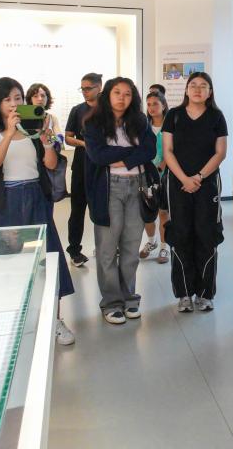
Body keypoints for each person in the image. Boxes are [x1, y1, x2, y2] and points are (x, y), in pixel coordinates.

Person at [0, 77, 76, 346]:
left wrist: (47, 141)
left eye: (18, 98)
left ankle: (54, 320)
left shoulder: (35, 129)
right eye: (7, 99)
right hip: (6, 201)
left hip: (35, 197)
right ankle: (13, 318)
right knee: (8, 259)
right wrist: (9, 133)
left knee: (49, 257)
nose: (14, 103)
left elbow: (51, 164)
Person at [83, 78, 157, 324]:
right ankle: (112, 303)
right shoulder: (93, 123)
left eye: (127, 94)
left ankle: (129, 299)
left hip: (137, 186)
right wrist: (133, 153)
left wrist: (120, 158)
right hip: (108, 188)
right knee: (107, 249)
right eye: (117, 92)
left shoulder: (140, 121)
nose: (121, 98)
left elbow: (150, 150)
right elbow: (97, 155)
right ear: (107, 95)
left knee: (131, 248)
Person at [162, 72, 227, 312]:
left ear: (210, 91)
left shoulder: (216, 116)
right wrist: (184, 179)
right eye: (193, 85)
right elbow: (168, 151)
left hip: (207, 184)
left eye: (203, 86)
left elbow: (220, 152)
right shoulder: (174, 115)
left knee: (207, 235)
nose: (198, 89)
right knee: (180, 235)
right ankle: (184, 294)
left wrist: (198, 177)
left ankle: (205, 293)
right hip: (178, 184)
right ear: (186, 90)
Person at [64, 73, 103, 267]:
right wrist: (83, 143)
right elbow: (68, 137)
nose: (85, 92)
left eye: (88, 88)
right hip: (81, 166)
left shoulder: (108, 110)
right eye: (83, 88)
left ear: (99, 87)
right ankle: (74, 250)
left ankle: (104, 247)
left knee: (102, 210)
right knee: (77, 210)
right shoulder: (77, 110)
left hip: (102, 167)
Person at [139, 90, 171, 264]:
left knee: (163, 212)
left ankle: (164, 247)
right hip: (146, 175)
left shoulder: (171, 125)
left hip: (166, 174)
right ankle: (151, 242)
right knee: (147, 213)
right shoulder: (144, 126)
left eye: (155, 104)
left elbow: (173, 149)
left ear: (163, 105)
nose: (151, 108)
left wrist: (162, 165)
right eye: (149, 104)